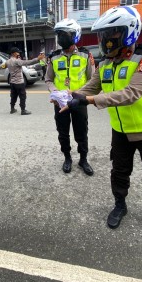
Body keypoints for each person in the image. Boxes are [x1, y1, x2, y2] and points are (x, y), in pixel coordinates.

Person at [61, 6, 142, 243]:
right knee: (119, 172)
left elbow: (132, 93)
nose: (106, 40)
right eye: (104, 35)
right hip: (121, 131)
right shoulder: (105, 63)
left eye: (112, 34)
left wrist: (89, 100)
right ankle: (120, 205)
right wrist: (70, 96)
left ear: (128, 32)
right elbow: (91, 87)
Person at [45, 18, 95, 176]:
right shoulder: (53, 57)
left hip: (79, 101)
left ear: (75, 35)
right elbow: (48, 79)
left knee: (81, 132)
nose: (60, 38)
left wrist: (81, 95)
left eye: (64, 34)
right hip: (60, 104)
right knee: (63, 133)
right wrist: (54, 93)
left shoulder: (85, 55)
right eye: (58, 34)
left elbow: (92, 79)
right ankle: (67, 158)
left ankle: (83, 159)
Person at [0, 47, 45, 115]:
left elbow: (1, 67)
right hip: (19, 82)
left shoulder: (8, 61)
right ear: (14, 53)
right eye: (18, 52)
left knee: (13, 96)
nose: (19, 54)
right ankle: (23, 110)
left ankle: (12, 109)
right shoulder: (17, 61)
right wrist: (38, 59)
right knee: (22, 96)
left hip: (12, 82)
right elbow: (28, 62)